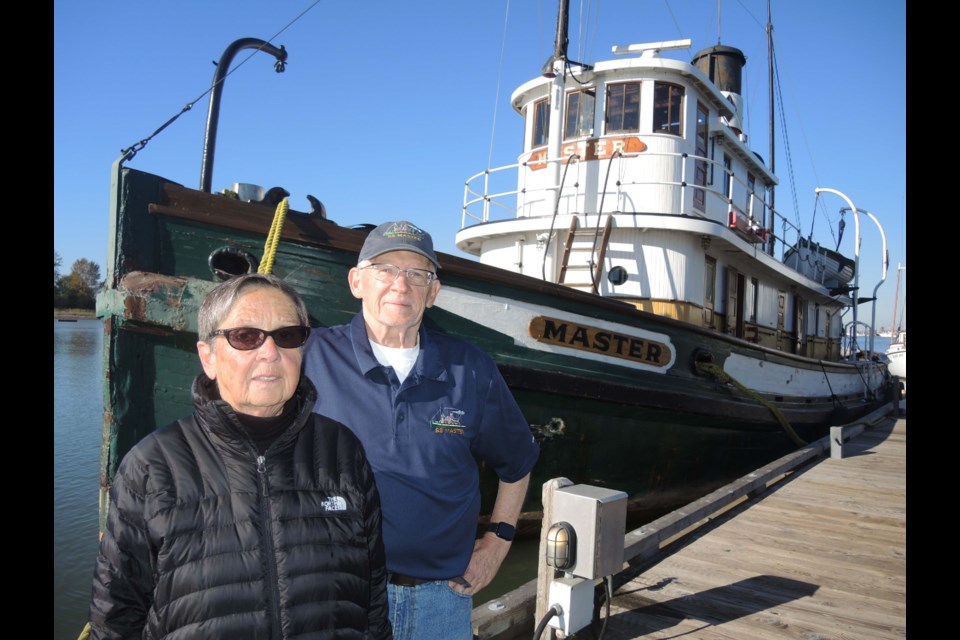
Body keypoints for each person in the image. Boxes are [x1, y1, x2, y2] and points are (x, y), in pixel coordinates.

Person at [87, 273, 393, 640]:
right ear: (208, 357)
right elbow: (117, 615)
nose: (270, 352)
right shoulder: (152, 467)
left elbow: (372, 597)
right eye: (245, 336)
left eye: (287, 336)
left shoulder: (343, 451)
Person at [302, 221, 540, 640]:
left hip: (441, 603)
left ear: (433, 293)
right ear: (356, 281)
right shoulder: (309, 356)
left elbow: (517, 463)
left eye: (417, 274)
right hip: (336, 598)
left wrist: (499, 540)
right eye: (386, 269)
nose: (401, 284)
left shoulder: (470, 366)